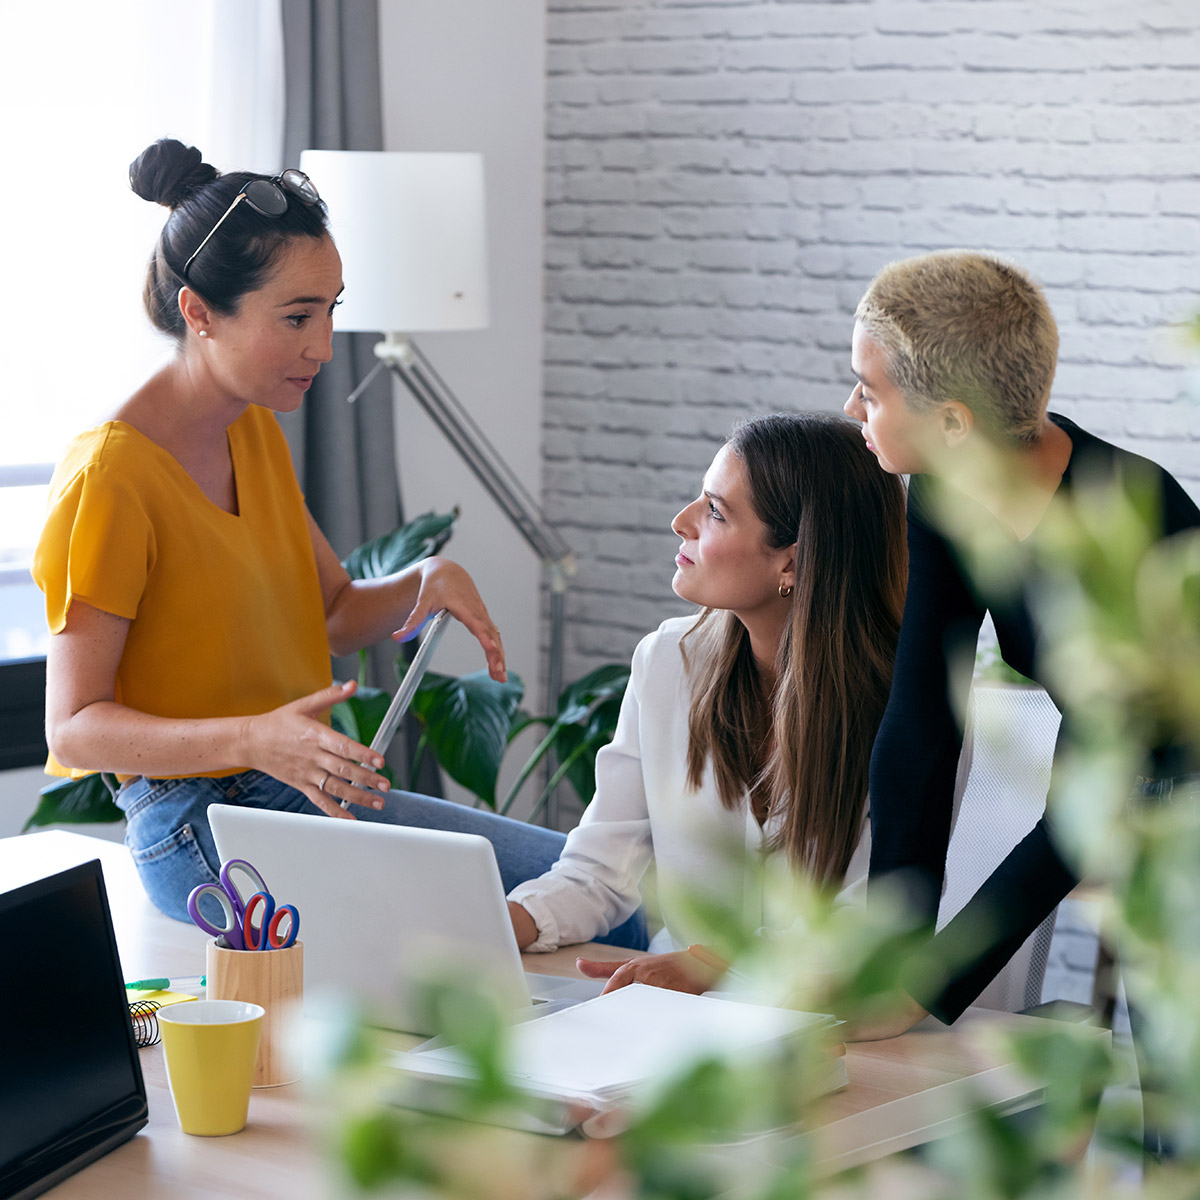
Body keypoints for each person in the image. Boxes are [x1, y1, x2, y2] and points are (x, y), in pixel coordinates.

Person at [31, 138, 562, 924]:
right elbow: (73, 730)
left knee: (586, 892)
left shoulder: (252, 429)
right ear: (199, 312)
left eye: (330, 309)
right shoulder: (110, 478)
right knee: (485, 927)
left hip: (297, 785)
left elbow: (335, 610)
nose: (323, 345)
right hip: (198, 823)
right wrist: (254, 738)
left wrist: (422, 581)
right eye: (296, 316)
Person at [841, 250, 1200, 1039]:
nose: (850, 408)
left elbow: (1097, 803)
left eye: (869, 392)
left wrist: (932, 986)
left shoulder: (1127, 535)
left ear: (953, 421)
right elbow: (921, 725)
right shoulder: (945, 487)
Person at [506, 412, 909, 994]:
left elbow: (870, 926)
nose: (682, 521)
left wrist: (719, 967)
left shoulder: (900, 710)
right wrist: (499, 924)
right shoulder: (667, 661)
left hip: (827, 1026)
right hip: (667, 1014)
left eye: (715, 512)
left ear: (792, 561)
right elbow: (599, 871)